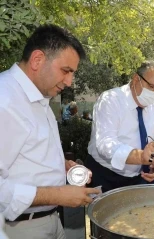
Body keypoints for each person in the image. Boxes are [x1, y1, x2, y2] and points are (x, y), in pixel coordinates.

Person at [0, 24, 100, 239]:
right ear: (37, 60)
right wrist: (58, 194)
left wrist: (60, 165)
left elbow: (27, 151)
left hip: (51, 220)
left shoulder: (39, 97)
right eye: (66, 71)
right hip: (19, 229)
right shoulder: (4, 101)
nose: (69, 82)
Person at [85, 61, 154, 193]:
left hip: (136, 179)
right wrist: (141, 157)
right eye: (152, 87)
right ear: (136, 78)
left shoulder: (152, 107)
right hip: (104, 175)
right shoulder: (111, 99)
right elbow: (105, 143)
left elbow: (152, 140)